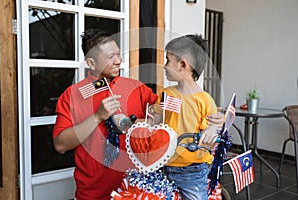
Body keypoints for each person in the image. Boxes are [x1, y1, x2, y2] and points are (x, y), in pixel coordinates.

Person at [52, 29, 223, 200]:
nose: (119, 61)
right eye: (110, 57)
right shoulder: (73, 95)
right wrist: (98, 116)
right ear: (91, 62)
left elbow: (171, 117)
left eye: (119, 54)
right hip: (92, 194)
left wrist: (215, 122)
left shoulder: (137, 88)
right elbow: (61, 145)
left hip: (137, 191)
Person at [150, 34, 220, 200]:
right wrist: (145, 125)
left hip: (192, 170)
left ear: (183, 65)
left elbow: (214, 126)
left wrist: (212, 129)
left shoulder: (204, 99)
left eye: (168, 60)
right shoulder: (166, 94)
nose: (164, 66)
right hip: (163, 164)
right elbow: (155, 121)